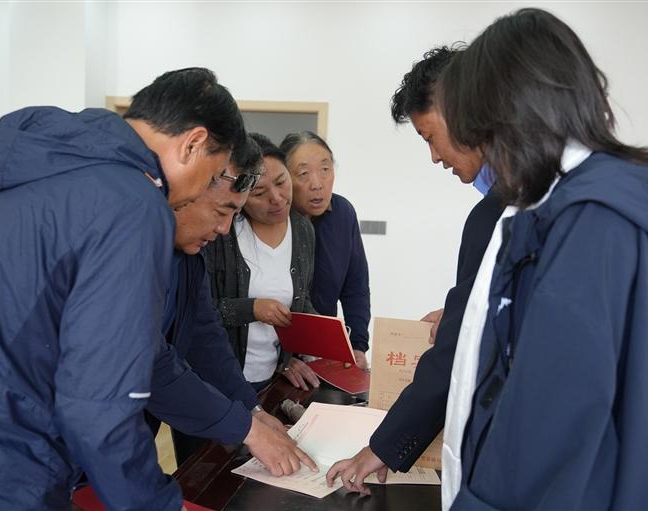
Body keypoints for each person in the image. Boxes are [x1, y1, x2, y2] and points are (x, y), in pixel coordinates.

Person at [359, 8, 648, 509]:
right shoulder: (551, 209)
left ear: (513, 108)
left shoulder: (590, 224)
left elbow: (558, 421)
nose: (475, 136)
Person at [0, 67, 244, 510]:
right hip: (3, 468)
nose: (199, 193)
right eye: (211, 175)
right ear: (192, 143)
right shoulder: (133, 202)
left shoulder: (33, 163)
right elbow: (99, 405)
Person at [326, 46, 506, 492]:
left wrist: (381, 448)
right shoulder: (545, 197)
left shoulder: (498, 215)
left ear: (464, 114)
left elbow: (457, 352)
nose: (434, 158)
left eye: (429, 137)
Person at [152, 136, 316, 474]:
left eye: (234, 214)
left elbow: (205, 335)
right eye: (222, 211)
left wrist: (253, 411)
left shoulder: (190, 254)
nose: (224, 228)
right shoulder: (132, 247)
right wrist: (248, 428)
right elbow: (150, 364)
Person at [205, 133, 322, 391]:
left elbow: (300, 298)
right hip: (219, 380)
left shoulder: (302, 229)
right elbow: (199, 311)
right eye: (259, 192)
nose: (277, 198)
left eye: (282, 182)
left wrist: (324, 337)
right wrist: (252, 309)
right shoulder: (221, 231)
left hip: (270, 378)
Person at [280, 131, 371, 369]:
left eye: (325, 169)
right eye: (303, 174)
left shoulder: (343, 213)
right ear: (284, 178)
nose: (317, 184)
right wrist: (284, 360)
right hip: (277, 355)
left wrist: (357, 345)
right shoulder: (274, 219)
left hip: (325, 351)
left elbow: (356, 288)